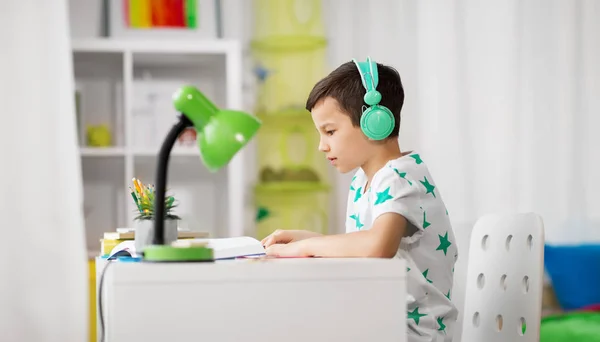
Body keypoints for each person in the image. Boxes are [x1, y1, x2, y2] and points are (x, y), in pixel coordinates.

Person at [261, 57, 459, 341]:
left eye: (330, 131)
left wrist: (304, 248)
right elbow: (362, 245)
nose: (321, 145)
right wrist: (302, 239)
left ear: (374, 123)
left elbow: (378, 245)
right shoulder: (365, 180)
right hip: (382, 320)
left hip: (413, 333)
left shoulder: (400, 177)